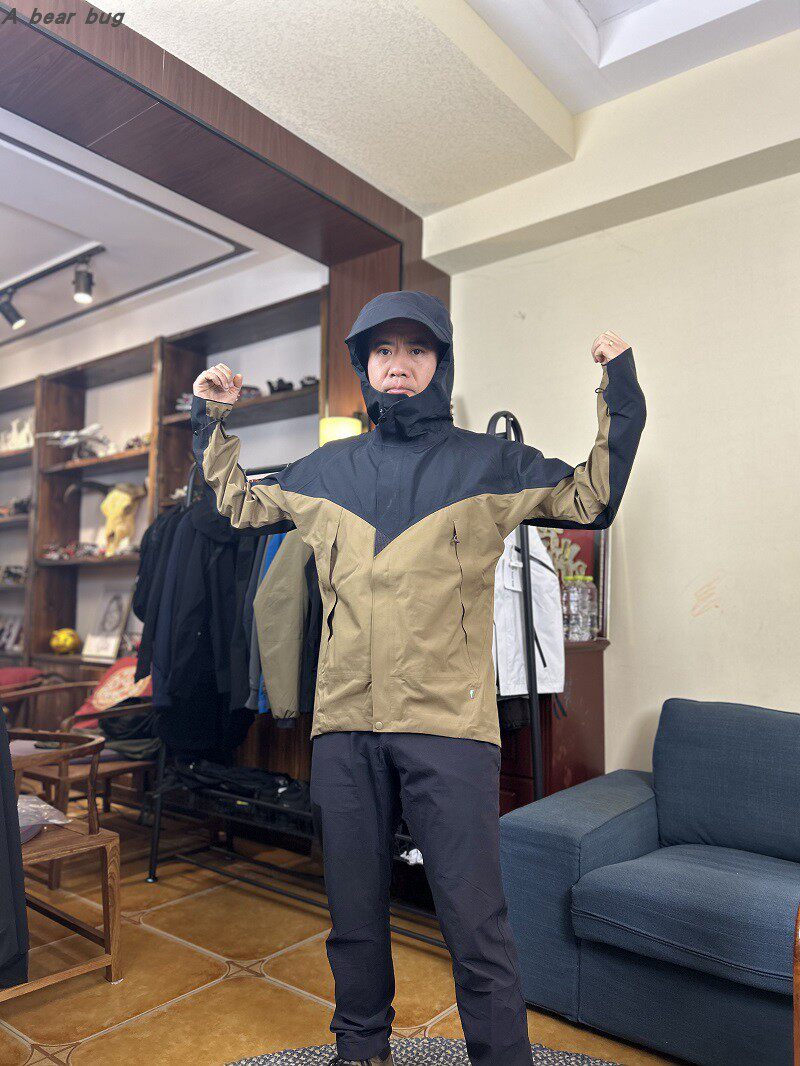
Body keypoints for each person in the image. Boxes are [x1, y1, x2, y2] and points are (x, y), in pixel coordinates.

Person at [190, 290, 646, 1066]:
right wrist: (212, 420)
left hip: (449, 729)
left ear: (441, 363)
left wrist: (620, 389)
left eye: (416, 349)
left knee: (475, 919)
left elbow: (591, 497)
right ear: (364, 366)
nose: (398, 364)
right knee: (353, 915)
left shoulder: (489, 462)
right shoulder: (324, 469)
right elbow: (230, 509)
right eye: (382, 351)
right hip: (345, 727)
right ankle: (360, 1049)